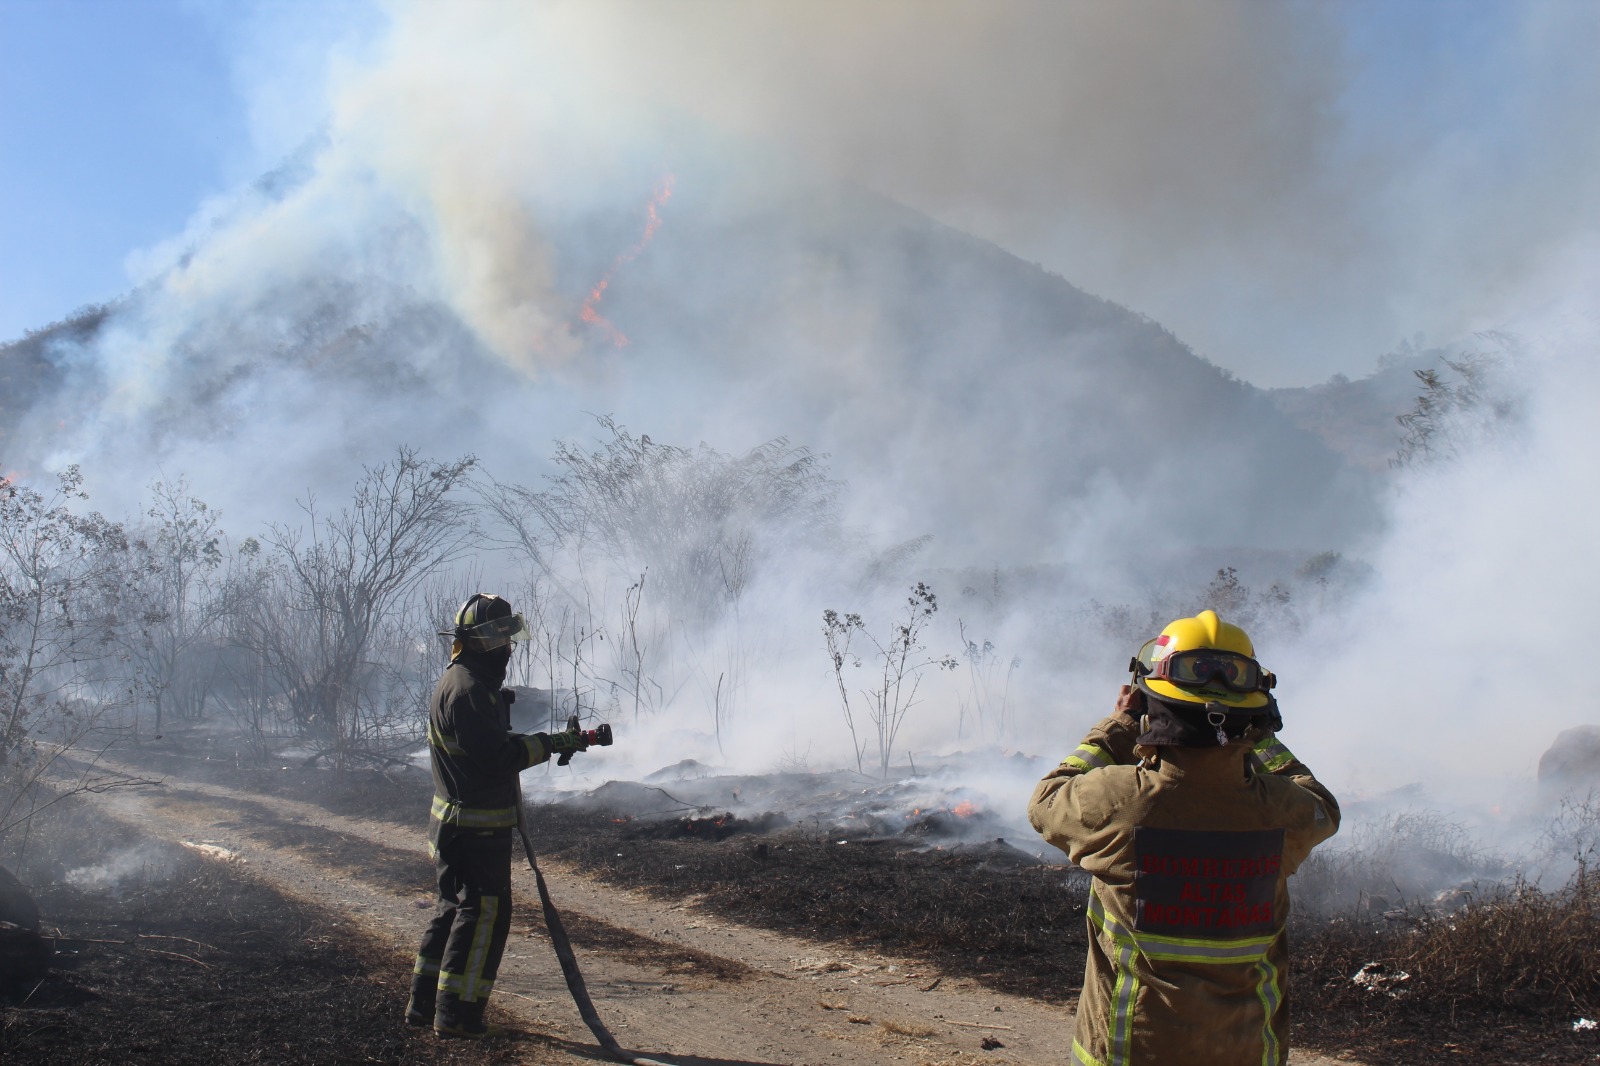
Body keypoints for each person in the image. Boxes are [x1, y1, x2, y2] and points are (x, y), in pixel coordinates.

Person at [1028, 609, 1339, 1066]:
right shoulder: (1281, 811)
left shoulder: (1117, 801)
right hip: (1248, 1054)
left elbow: (1047, 799)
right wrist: (1260, 737)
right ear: (1255, 709)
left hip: (1129, 1052)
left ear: (1154, 704)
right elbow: (1321, 803)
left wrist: (1117, 726)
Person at [407, 593, 590, 1039]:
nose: (507, 648)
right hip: (476, 829)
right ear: (478, 641)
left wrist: (548, 742)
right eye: (499, 639)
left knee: (453, 910)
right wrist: (549, 744)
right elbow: (496, 758)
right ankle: (458, 1014)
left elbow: (483, 748)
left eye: (509, 638)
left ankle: (424, 1004)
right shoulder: (469, 690)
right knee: (483, 915)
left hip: (457, 824)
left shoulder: (461, 681)